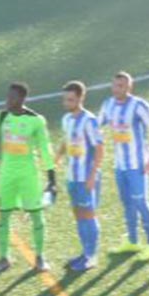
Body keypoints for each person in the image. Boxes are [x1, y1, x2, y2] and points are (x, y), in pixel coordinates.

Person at [0, 82, 57, 274]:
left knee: (36, 215)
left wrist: (51, 179)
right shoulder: (0, 116)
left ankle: (40, 257)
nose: (8, 101)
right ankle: (3, 258)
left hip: (28, 175)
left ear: (22, 99)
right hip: (7, 175)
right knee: (3, 216)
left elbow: (45, 150)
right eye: (7, 97)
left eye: (12, 97)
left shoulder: (36, 121)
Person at [98, 72, 149, 261]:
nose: (118, 89)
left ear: (129, 88)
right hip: (120, 165)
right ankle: (133, 241)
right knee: (127, 204)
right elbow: (96, 125)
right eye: (115, 85)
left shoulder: (139, 106)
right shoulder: (108, 105)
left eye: (122, 86)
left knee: (141, 203)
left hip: (138, 165)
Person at [55, 81, 104, 271]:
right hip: (72, 177)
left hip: (86, 177)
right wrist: (58, 156)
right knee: (79, 215)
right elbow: (67, 140)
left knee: (88, 215)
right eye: (65, 99)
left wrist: (93, 175)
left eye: (71, 99)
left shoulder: (90, 121)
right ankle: (85, 253)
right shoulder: (67, 119)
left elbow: (100, 149)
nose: (67, 102)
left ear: (80, 98)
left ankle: (92, 256)